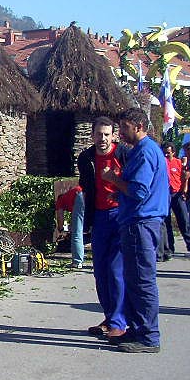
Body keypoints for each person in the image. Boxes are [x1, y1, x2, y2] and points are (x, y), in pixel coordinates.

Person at [100, 109, 168, 353]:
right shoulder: (141, 150)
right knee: (133, 278)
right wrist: (119, 194)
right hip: (136, 221)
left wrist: (113, 179)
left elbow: (139, 191)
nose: (120, 132)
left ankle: (148, 337)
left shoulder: (146, 151)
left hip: (141, 223)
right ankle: (137, 329)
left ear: (139, 126)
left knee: (141, 280)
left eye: (125, 127)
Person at [77, 116, 127, 339]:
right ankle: (109, 317)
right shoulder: (86, 158)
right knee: (100, 272)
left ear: (113, 135)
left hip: (121, 216)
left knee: (115, 271)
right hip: (98, 217)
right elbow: (86, 186)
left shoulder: (124, 154)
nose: (103, 138)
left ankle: (119, 322)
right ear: (92, 135)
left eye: (107, 134)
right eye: (99, 134)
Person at [161, 143, 190, 257]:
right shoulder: (162, 162)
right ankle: (169, 248)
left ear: (173, 152)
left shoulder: (178, 163)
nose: (166, 155)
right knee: (166, 222)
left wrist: (184, 191)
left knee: (184, 220)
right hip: (165, 195)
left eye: (168, 152)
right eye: (164, 152)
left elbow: (185, 178)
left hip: (177, 194)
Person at [54, 183, 85, 269]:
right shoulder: (69, 196)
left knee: (77, 233)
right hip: (88, 193)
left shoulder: (60, 200)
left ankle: (77, 262)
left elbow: (60, 216)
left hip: (79, 196)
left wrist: (61, 229)